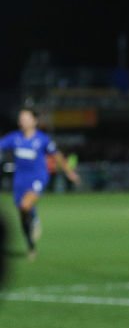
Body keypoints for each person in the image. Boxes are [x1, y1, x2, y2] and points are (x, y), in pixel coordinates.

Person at [0, 108, 79, 259]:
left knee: (25, 205)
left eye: (26, 118)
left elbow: (57, 156)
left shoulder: (42, 139)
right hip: (19, 180)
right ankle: (31, 245)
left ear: (34, 121)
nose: (22, 120)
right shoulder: (15, 138)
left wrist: (69, 172)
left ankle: (34, 219)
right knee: (23, 213)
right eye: (21, 118)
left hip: (38, 178)